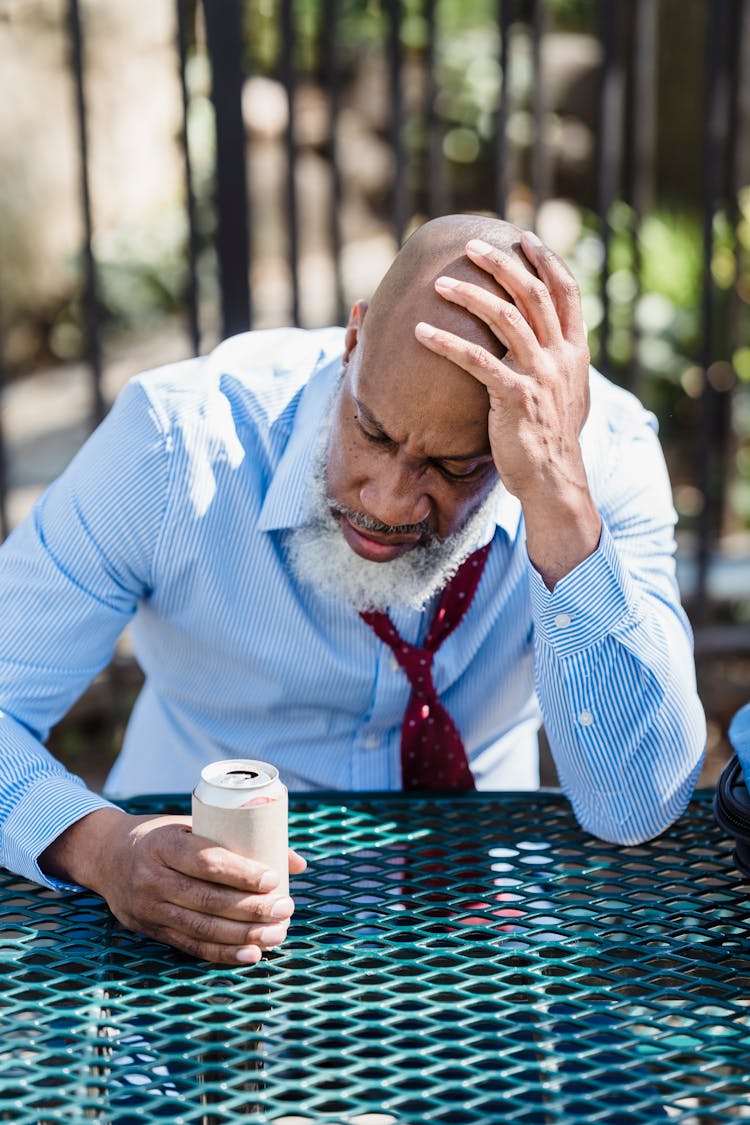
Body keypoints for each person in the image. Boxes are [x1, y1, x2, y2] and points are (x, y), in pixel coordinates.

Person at [0, 215, 705, 965]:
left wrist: (561, 507)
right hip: (180, 941)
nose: (391, 500)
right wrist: (102, 846)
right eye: (372, 430)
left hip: (478, 960)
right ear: (353, 338)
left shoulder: (602, 460)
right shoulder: (176, 443)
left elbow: (638, 804)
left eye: (456, 468)